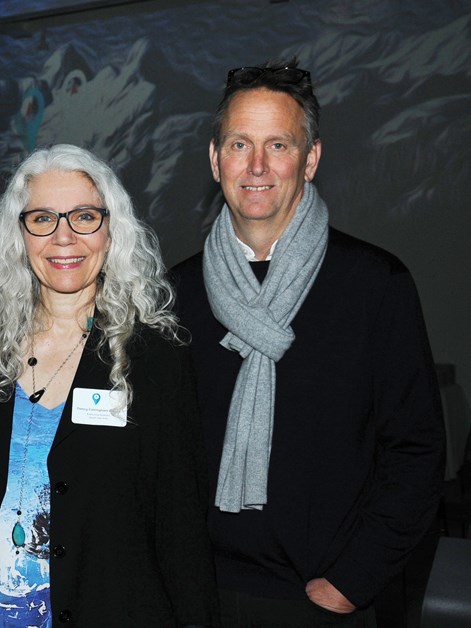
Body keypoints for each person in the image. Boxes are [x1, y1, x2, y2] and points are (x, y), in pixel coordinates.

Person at [169, 60, 445, 626]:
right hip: (196, 599)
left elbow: (416, 453)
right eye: (240, 144)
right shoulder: (173, 294)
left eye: (279, 144)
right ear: (215, 157)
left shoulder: (375, 285)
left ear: (311, 159)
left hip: (319, 604)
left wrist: (351, 582)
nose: (257, 166)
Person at [0, 144, 218, 626]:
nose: (64, 237)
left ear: (111, 232)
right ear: (18, 236)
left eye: (84, 216)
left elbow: (181, 529)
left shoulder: (156, 364)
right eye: (43, 218)